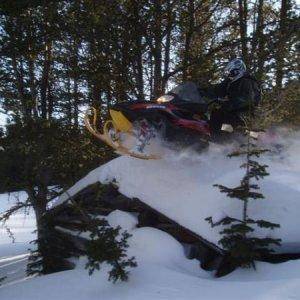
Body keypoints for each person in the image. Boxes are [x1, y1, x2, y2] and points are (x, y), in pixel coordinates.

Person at [200, 58, 261, 135]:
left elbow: (248, 99)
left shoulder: (248, 82)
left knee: (222, 117)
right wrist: (202, 91)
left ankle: (230, 138)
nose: (229, 75)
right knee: (215, 115)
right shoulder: (230, 82)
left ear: (238, 71)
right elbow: (217, 90)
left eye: (231, 72)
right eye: (229, 73)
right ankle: (218, 138)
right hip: (232, 111)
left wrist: (229, 103)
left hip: (246, 112)